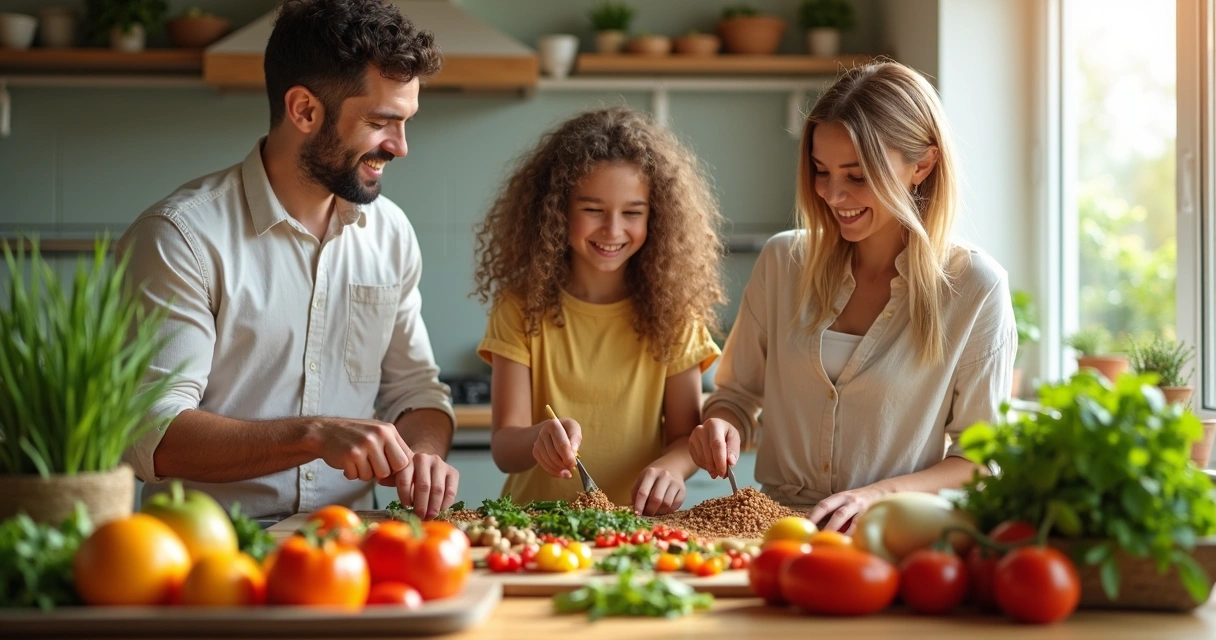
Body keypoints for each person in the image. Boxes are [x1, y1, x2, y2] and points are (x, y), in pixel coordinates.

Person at [119, 0, 460, 521]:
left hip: (349, 548)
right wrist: (313, 436)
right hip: (209, 555)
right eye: (380, 121)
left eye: (406, 122)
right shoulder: (181, 237)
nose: (401, 146)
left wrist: (425, 456)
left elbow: (415, 391)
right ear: (304, 110)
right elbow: (151, 430)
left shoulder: (389, 233)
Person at [689, 61, 1016, 533]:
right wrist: (722, 426)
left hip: (891, 535)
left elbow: (980, 460)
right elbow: (736, 396)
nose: (833, 194)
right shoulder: (783, 262)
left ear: (922, 165)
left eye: (857, 176)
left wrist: (875, 495)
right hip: (772, 532)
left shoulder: (975, 287)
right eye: (821, 171)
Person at [473, 107, 726, 515]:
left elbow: (685, 438)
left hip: (633, 527)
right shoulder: (519, 306)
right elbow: (505, 446)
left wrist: (672, 469)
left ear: (656, 217)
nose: (612, 230)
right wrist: (539, 438)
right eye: (593, 210)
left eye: (632, 213)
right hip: (533, 525)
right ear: (557, 210)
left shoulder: (676, 315)